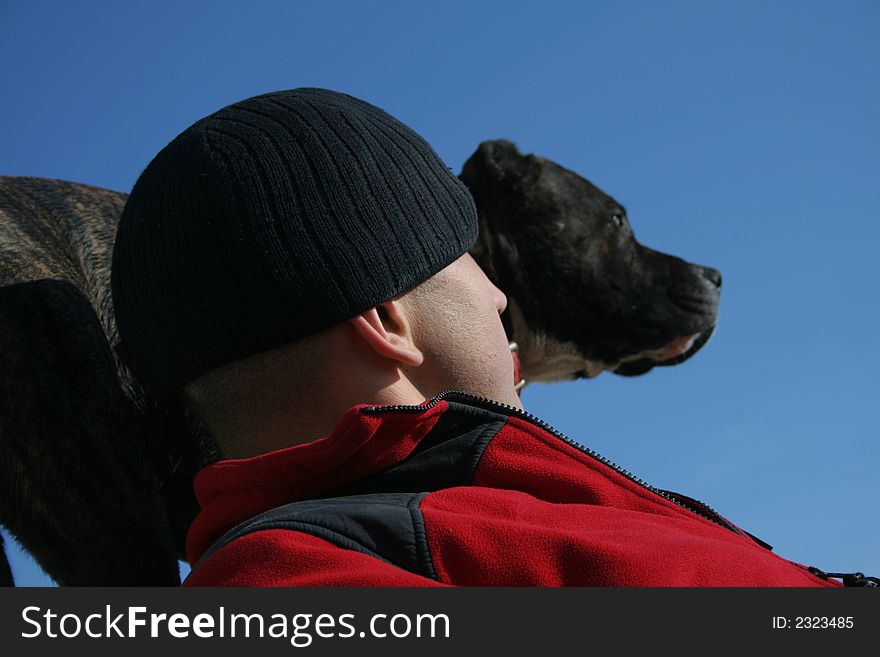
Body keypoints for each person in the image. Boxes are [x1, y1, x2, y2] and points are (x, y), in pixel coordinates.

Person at [111, 88, 841, 587]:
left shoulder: (464, 507)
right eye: (469, 264)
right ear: (389, 322)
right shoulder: (299, 576)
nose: (498, 292)